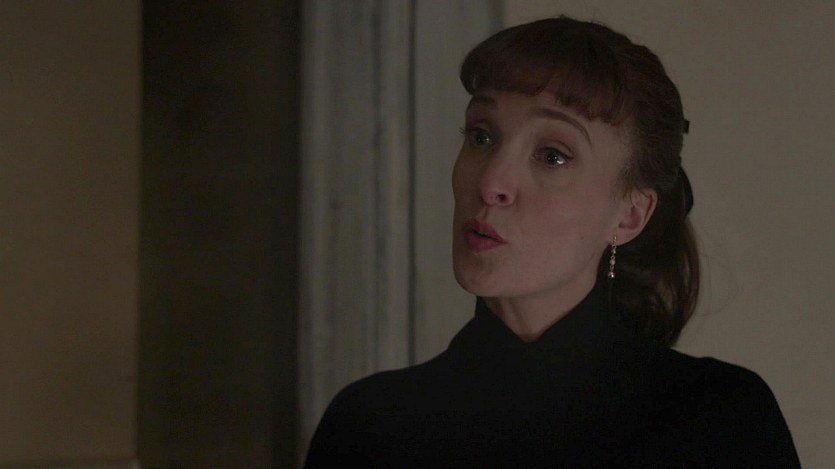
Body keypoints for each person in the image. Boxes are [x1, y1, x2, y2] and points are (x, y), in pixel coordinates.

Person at [304, 16, 800, 467]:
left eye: (553, 156)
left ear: (630, 216)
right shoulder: (368, 428)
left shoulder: (720, 423)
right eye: (481, 136)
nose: (491, 182)